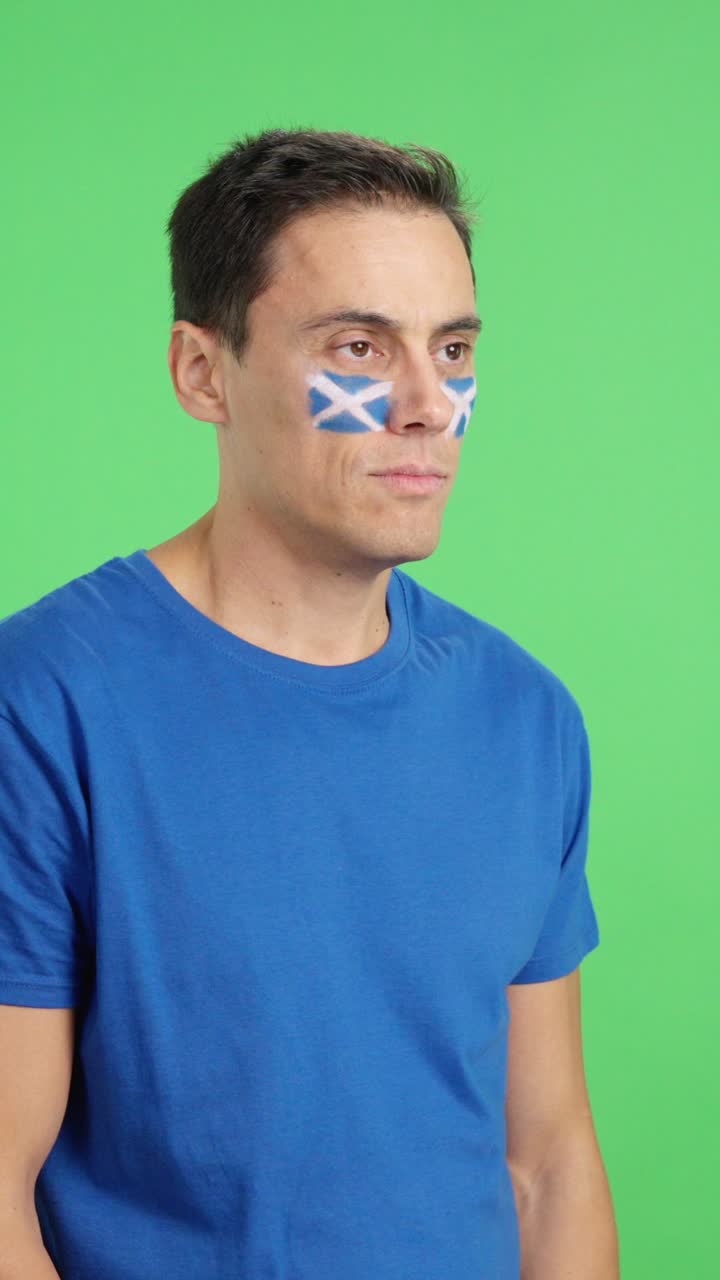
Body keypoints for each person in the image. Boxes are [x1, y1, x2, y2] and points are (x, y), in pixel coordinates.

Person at [0, 127, 619, 1279]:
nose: (428, 404)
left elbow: (548, 1160)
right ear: (203, 373)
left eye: (453, 348)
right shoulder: (40, 704)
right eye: (359, 347)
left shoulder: (526, 718)